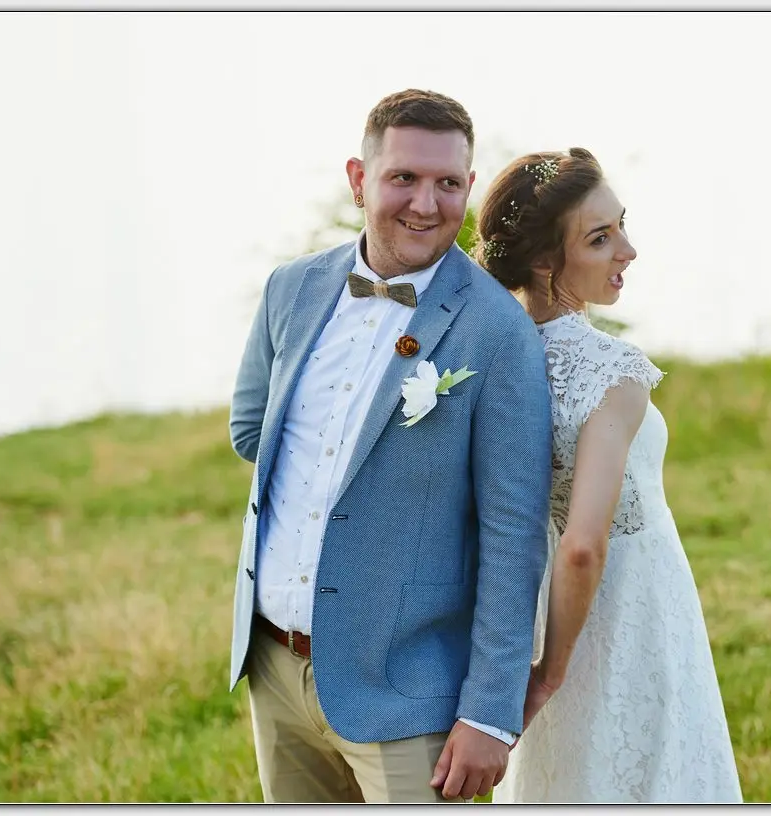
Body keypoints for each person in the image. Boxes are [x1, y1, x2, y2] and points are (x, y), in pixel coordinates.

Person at [226, 89, 553, 804]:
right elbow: (253, 431)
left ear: (469, 185)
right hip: (275, 666)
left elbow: (513, 533)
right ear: (358, 179)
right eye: (403, 177)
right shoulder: (290, 289)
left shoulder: (498, 331)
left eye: (448, 183)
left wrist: (489, 712)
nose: (426, 205)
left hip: (409, 688)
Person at [474, 148, 744, 803]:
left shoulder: (488, 364)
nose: (628, 249)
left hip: (539, 610)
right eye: (600, 238)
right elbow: (582, 545)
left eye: (621, 225)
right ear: (545, 260)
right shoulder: (611, 371)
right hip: (630, 611)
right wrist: (550, 675)